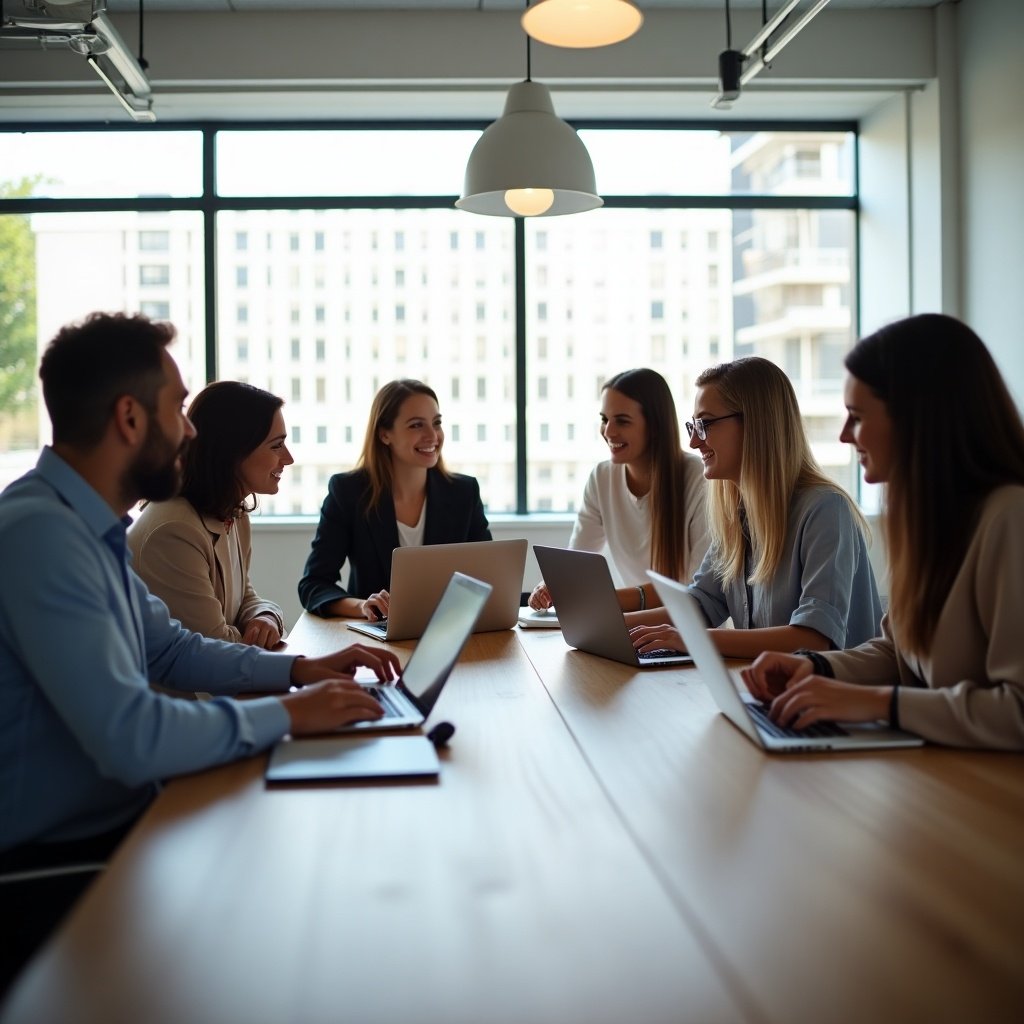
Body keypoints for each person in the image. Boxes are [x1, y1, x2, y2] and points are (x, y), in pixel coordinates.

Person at [0, 313, 398, 986]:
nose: (189, 430)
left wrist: (299, 669)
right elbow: (131, 734)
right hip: (59, 866)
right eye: (178, 407)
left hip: (115, 829)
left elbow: (174, 652)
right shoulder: (42, 537)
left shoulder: (83, 528)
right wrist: (292, 713)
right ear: (130, 418)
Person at [742, 315, 1024, 749]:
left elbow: (1017, 710)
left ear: (918, 418)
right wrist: (816, 668)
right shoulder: (930, 519)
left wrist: (876, 703)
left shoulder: (1010, 518)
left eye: (856, 416)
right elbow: (899, 651)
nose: (843, 435)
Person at [630, 356, 882, 660]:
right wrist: (601, 626)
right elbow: (699, 604)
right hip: (774, 694)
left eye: (704, 424)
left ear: (756, 423)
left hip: (838, 701)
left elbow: (814, 638)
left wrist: (693, 639)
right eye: (693, 426)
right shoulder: (737, 514)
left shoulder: (825, 510)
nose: (695, 441)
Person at [298, 378, 491, 621]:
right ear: (384, 434)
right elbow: (314, 584)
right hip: (375, 635)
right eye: (416, 425)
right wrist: (362, 607)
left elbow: (488, 580)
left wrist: (538, 596)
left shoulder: (464, 492)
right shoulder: (349, 491)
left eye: (436, 422)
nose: (433, 435)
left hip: (448, 628)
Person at [527, 367, 710, 614]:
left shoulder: (699, 478)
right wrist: (553, 586)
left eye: (622, 421)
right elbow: (576, 562)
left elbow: (695, 590)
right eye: (604, 419)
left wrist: (604, 598)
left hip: (691, 631)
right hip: (636, 627)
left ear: (655, 426)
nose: (608, 431)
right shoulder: (602, 478)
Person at [129, 381, 293, 648]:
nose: (288, 458)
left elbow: (243, 598)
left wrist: (266, 616)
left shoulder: (233, 512)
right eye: (276, 446)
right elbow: (213, 646)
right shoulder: (174, 530)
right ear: (232, 451)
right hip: (183, 689)